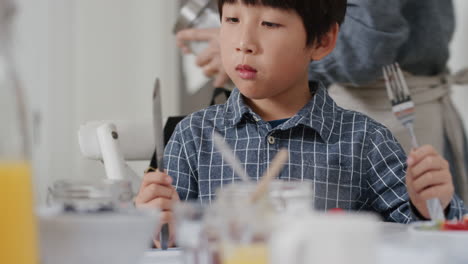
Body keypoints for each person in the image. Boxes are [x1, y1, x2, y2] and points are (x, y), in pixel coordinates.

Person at [136, 0, 465, 248]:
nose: (244, 42)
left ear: (322, 41)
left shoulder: (365, 140)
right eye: (232, 19)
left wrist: (433, 204)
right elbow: (166, 243)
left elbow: (432, 238)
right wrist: (153, 225)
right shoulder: (192, 136)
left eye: (269, 23)